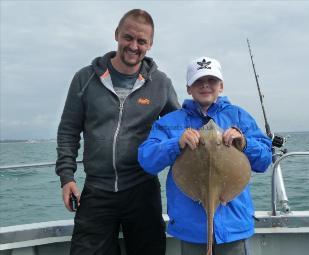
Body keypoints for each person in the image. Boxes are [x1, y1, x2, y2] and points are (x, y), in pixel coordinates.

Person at [55, 9, 180, 255]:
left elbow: (180, 126)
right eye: (128, 37)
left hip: (143, 190)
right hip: (96, 190)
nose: (134, 46)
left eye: (141, 41)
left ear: (150, 44)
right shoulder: (85, 78)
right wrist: (67, 177)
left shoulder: (161, 84)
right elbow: (68, 130)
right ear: (116, 35)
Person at [138, 56, 272, 255]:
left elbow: (264, 161)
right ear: (189, 88)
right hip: (191, 228)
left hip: (233, 226)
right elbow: (146, 159)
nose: (205, 86)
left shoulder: (239, 117)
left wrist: (245, 143)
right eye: (198, 81)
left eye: (211, 81)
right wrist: (176, 143)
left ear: (221, 86)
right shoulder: (171, 122)